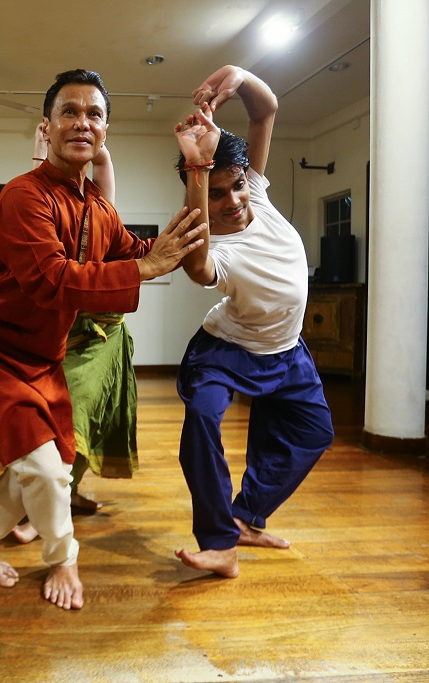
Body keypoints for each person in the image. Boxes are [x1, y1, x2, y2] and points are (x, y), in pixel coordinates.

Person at [0, 69, 205, 610]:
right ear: (48, 126)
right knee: (41, 467)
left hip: (43, 356)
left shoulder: (98, 209)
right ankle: (63, 559)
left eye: (94, 114)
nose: (81, 122)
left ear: (105, 130)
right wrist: (147, 269)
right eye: (69, 112)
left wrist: (197, 171)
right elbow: (52, 281)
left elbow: (131, 250)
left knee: (44, 466)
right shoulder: (22, 196)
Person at [171, 65, 334, 579]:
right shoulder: (211, 244)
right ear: (200, 191)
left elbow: (265, 110)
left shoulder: (256, 194)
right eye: (216, 193)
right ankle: (220, 543)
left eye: (236, 186)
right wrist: (197, 170)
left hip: (286, 352)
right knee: (202, 416)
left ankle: (245, 516)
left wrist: (237, 76)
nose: (233, 202)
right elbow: (197, 273)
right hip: (227, 351)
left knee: (313, 432)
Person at [12, 124, 137, 543]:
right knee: (62, 423)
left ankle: (62, 499)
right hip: (71, 334)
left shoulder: (102, 209)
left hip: (105, 334)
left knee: (83, 422)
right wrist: (44, 149)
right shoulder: (42, 203)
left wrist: (83, 141)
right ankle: (42, 509)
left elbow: (101, 160)